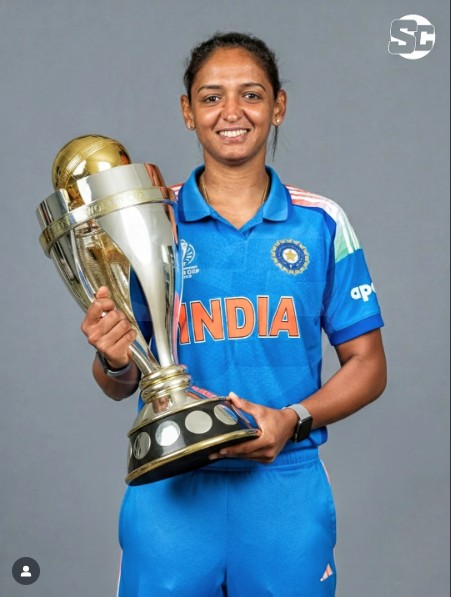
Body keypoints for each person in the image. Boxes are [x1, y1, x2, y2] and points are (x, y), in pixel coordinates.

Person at [81, 32, 386, 597]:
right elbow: (118, 381)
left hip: (284, 488)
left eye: (251, 94)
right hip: (171, 488)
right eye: (211, 97)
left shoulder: (321, 221)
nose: (231, 112)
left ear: (278, 106)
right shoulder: (146, 219)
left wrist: (293, 418)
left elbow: (368, 365)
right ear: (187, 112)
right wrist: (114, 357)